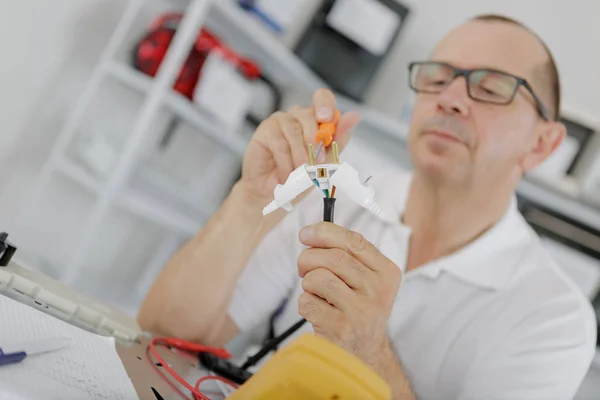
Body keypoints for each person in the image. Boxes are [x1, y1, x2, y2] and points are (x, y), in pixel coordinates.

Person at [138, 14, 597, 400]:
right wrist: (252, 198)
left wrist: (367, 350)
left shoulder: (556, 319)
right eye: (437, 77)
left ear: (543, 144)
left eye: (492, 88)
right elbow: (162, 332)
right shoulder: (331, 197)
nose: (450, 99)